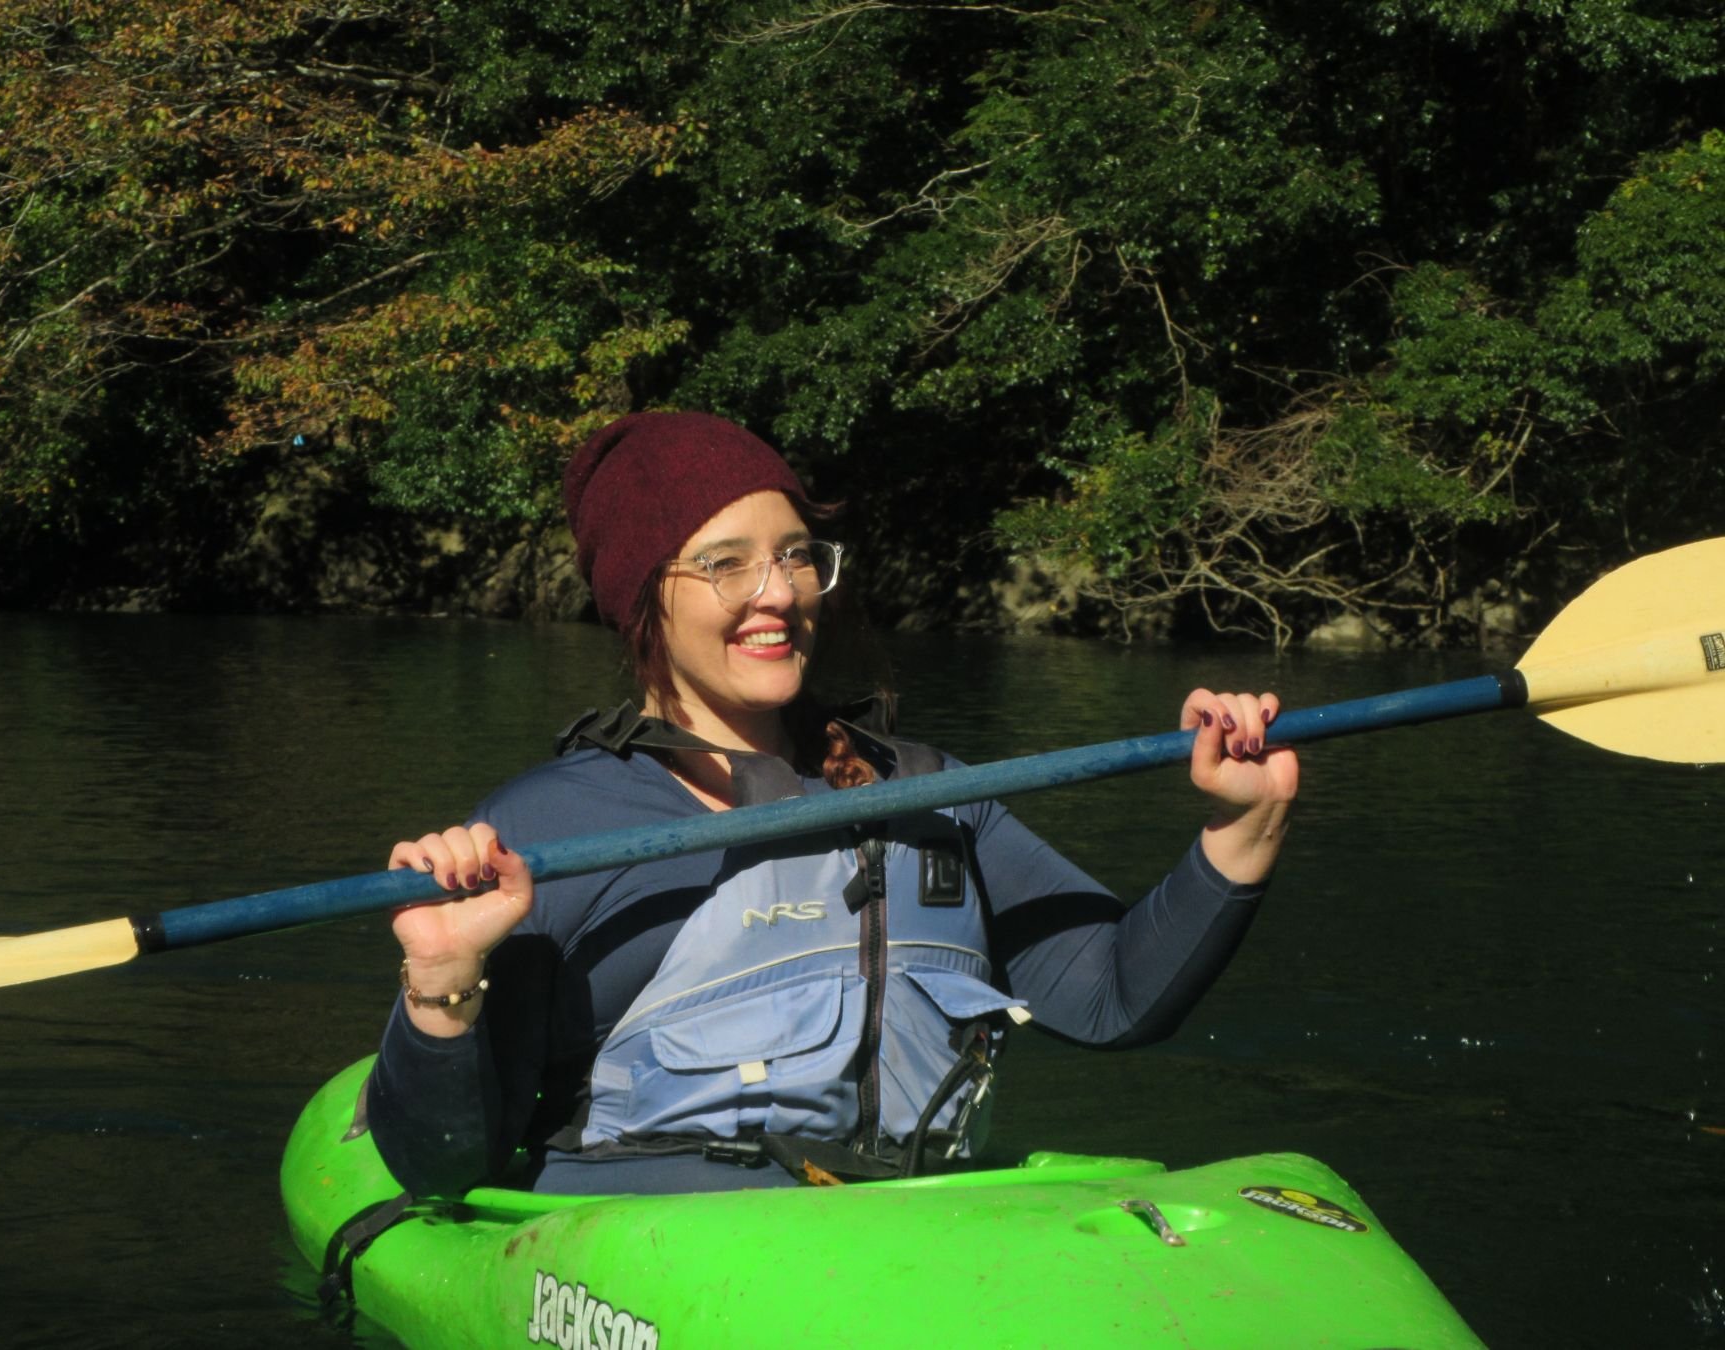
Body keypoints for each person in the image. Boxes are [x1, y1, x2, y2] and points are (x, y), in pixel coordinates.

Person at [366, 411, 1298, 1198]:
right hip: (662, 1258)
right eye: (726, 564)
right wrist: (442, 982)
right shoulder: (552, 828)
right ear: (643, 597)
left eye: (796, 556)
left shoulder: (930, 795)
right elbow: (445, 1172)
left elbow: (1112, 998)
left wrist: (1243, 828)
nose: (779, 594)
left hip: (902, 1246)